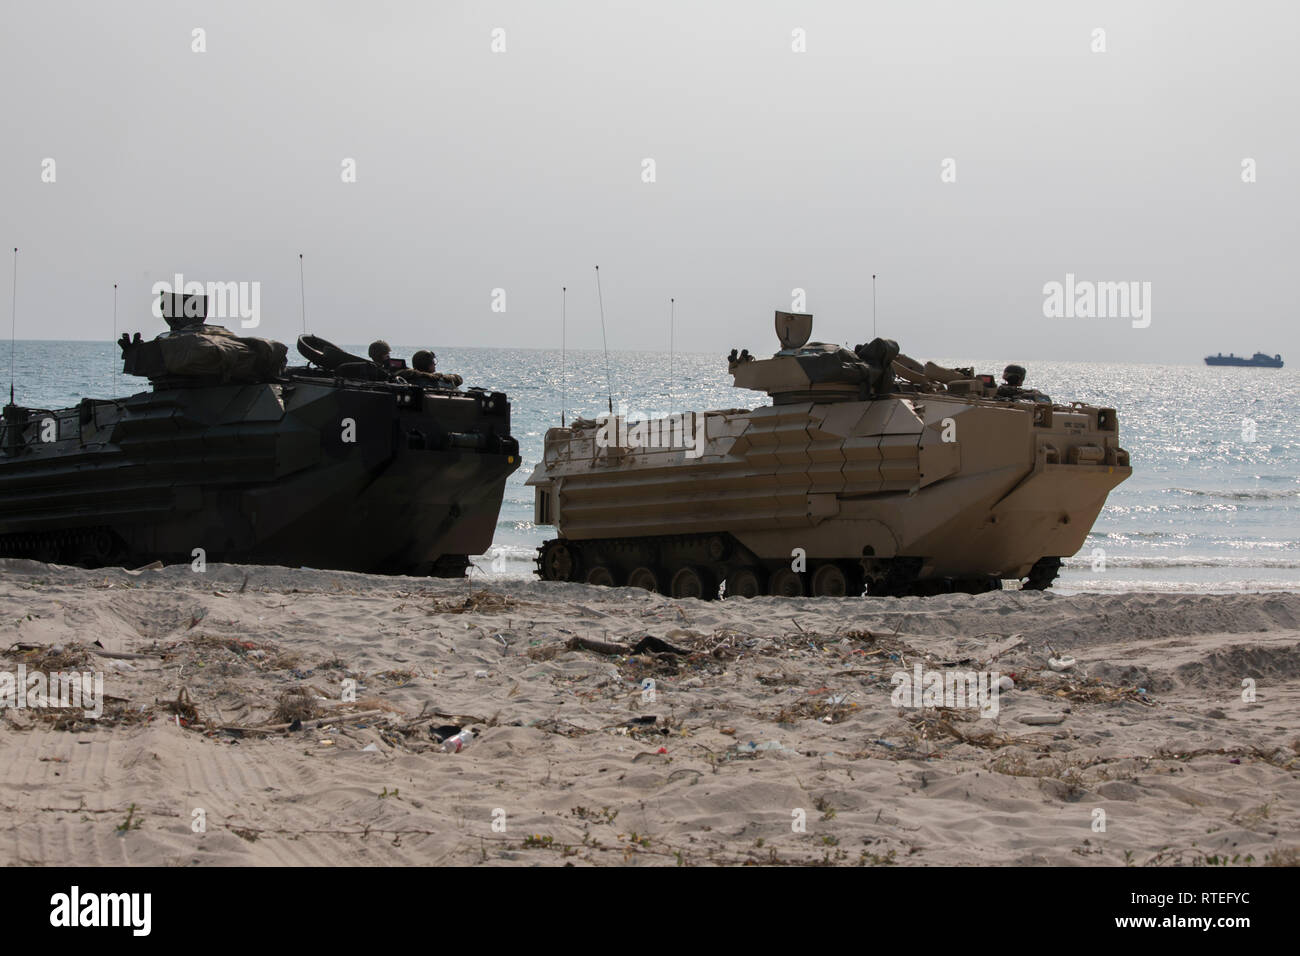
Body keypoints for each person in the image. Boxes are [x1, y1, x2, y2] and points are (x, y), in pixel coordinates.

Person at [396, 348, 463, 388]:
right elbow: (458, 379)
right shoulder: (437, 381)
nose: (434, 364)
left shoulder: (406, 378)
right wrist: (447, 377)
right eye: (433, 362)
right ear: (428, 364)